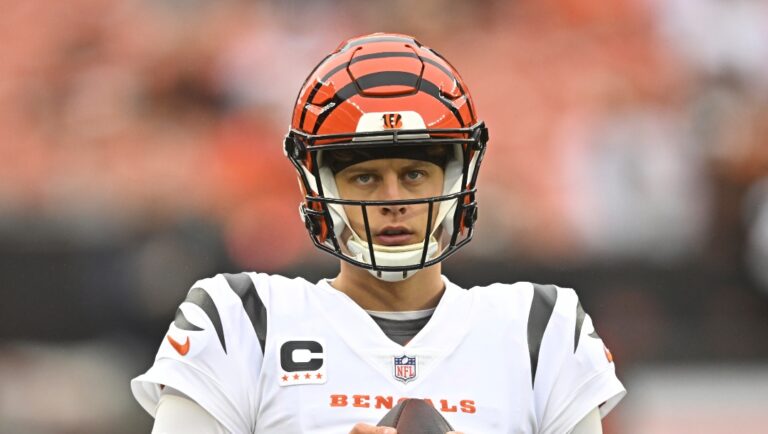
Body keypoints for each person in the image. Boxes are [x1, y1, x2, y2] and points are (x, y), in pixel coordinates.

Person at [131, 33, 625, 434]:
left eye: (414, 173)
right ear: (320, 185)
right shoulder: (240, 319)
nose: (393, 198)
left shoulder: (542, 329)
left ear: (455, 180)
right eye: (365, 176)